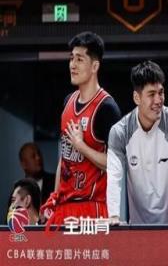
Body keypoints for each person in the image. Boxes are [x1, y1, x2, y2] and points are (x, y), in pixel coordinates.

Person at [40, 31, 121, 224]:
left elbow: (115, 164)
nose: (72, 65)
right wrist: (55, 196)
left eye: (79, 59)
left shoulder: (107, 108)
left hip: (92, 207)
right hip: (64, 205)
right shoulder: (68, 101)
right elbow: (64, 159)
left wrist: (81, 146)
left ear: (94, 66)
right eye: (71, 58)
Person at [107, 60, 168, 224]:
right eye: (152, 94)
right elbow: (114, 176)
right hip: (138, 227)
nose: (158, 100)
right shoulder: (120, 132)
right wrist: (114, 216)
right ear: (137, 97)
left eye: (161, 92)